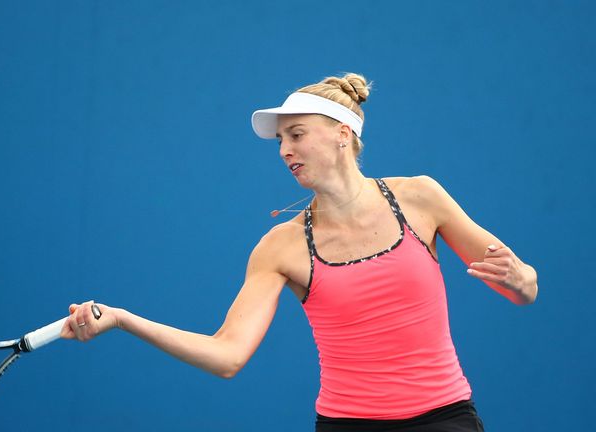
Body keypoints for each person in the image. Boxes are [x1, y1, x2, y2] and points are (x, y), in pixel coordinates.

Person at [61, 73, 538, 431]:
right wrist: (124, 319)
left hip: (445, 419)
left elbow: (523, 287)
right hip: (346, 425)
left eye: (296, 134)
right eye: (280, 140)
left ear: (342, 133)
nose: (284, 150)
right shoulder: (281, 246)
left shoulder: (421, 197)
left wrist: (521, 281)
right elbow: (227, 355)